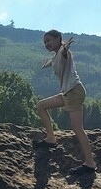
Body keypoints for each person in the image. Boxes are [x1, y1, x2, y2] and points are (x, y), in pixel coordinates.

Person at [34, 29, 97, 175]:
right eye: (44, 42)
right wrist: (47, 64)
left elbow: (63, 54)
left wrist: (65, 48)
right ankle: (50, 138)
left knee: (77, 128)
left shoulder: (64, 52)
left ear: (58, 39)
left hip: (74, 92)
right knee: (41, 105)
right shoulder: (56, 56)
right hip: (67, 93)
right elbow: (55, 60)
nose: (46, 44)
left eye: (49, 40)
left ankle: (90, 163)